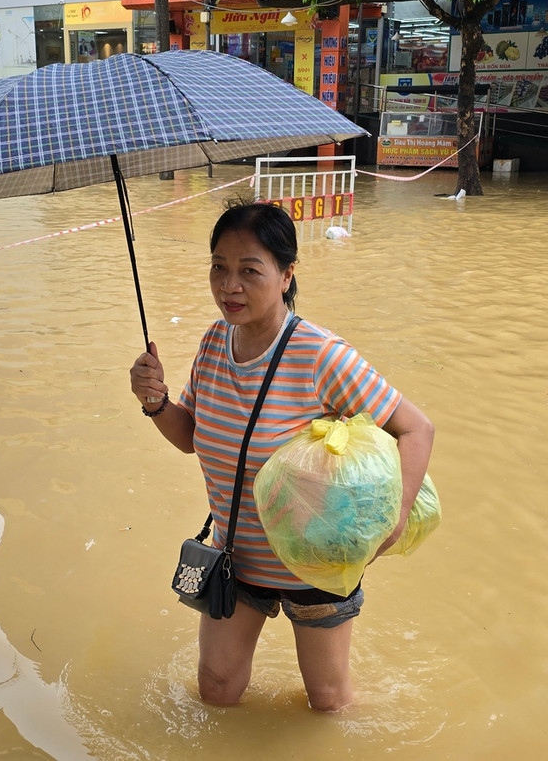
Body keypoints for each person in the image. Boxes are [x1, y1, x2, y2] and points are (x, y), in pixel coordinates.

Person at [128, 200, 435, 713]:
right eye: (219, 268)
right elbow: (190, 437)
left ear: (287, 273)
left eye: (250, 271)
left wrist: (393, 520)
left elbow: (416, 428)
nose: (230, 286)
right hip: (235, 557)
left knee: (328, 702)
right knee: (216, 688)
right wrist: (155, 402)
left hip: (317, 564)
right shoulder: (211, 344)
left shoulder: (321, 355)